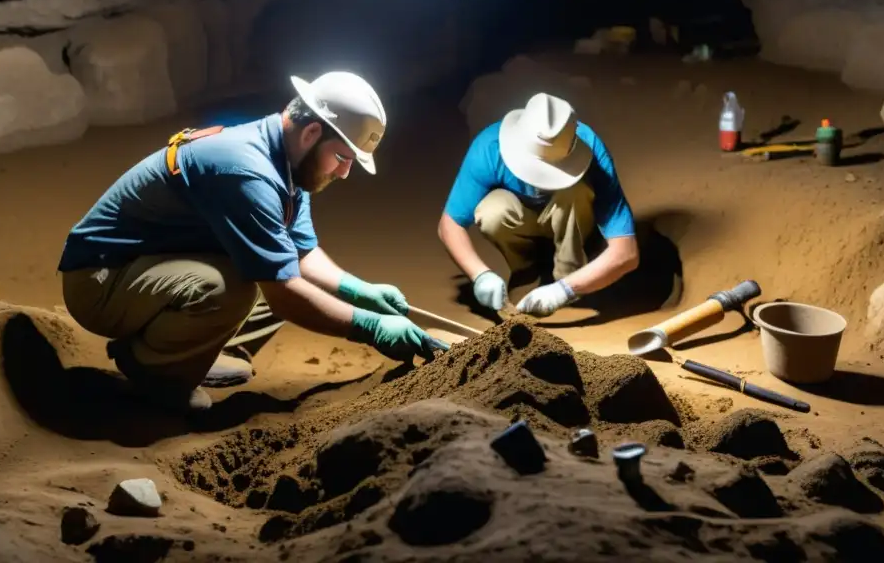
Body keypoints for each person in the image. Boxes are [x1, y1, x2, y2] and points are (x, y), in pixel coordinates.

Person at [58, 71, 441, 413]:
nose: (344, 173)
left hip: (148, 266)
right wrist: (370, 327)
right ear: (311, 133)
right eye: (342, 157)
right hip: (100, 280)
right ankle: (152, 372)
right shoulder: (248, 171)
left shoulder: (289, 165)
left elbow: (301, 253)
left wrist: (360, 291)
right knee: (233, 288)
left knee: (273, 265)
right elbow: (286, 295)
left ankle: (198, 352)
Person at [438, 92, 638, 317]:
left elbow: (626, 253)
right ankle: (525, 271)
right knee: (491, 211)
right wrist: (480, 275)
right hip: (521, 221)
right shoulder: (490, 146)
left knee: (576, 191)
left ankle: (571, 273)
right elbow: (449, 225)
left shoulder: (591, 148)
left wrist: (565, 290)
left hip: (576, 222)